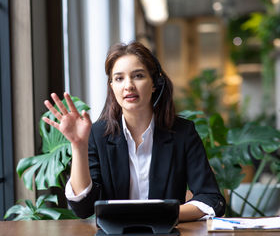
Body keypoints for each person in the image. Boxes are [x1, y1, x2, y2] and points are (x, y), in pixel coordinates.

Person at [43, 41, 226, 221]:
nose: (128, 85)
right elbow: (83, 208)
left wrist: (163, 215)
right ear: (112, 86)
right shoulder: (98, 134)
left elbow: (211, 200)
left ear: (154, 83)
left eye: (138, 76)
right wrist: (78, 146)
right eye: (119, 78)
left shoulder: (182, 133)